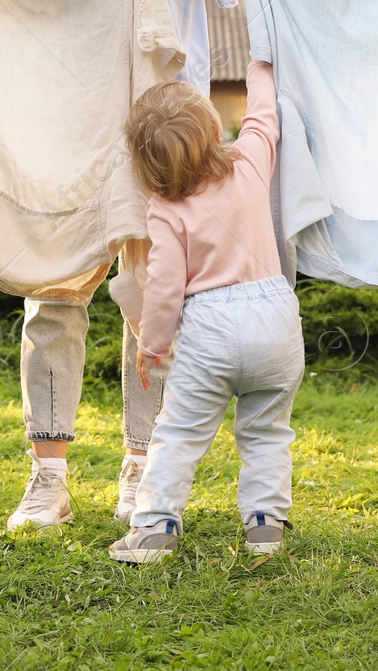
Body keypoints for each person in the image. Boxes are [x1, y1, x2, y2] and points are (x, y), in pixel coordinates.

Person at [0, 0, 283, 531]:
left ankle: (138, 466)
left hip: (165, 105)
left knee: (151, 276)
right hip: (66, 94)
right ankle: (47, 476)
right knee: (56, 283)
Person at [108, 56, 302, 563]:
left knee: (177, 435)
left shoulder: (165, 208)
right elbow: (263, 116)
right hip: (275, 315)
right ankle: (265, 527)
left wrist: (151, 347)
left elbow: (167, 288)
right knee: (266, 431)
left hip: (210, 328)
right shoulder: (249, 162)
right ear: (215, 126)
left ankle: (153, 529)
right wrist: (262, 62)